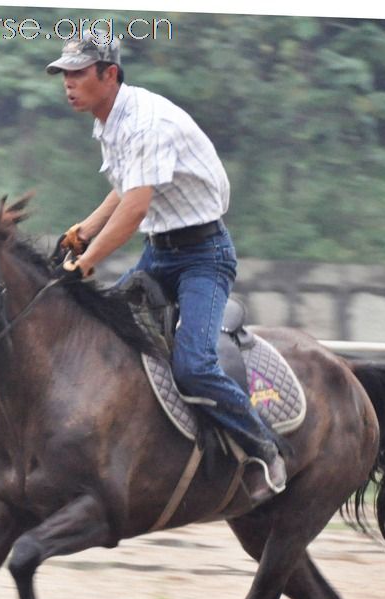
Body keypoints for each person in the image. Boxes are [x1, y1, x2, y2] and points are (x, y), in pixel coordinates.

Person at [46, 32, 287, 504]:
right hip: (161, 251)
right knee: (105, 336)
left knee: (194, 366)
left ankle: (266, 449)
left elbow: (135, 209)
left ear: (109, 74)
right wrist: (84, 231)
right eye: (64, 75)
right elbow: (125, 186)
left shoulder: (146, 124)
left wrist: (87, 263)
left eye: (77, 74)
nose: (67, 84)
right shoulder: (110, 120)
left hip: (204, 256)